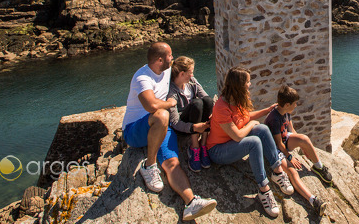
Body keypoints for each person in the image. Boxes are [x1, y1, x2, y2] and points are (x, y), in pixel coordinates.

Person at [121, 42, 216, 221]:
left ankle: (191, 202)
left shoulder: (167, 71)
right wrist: (171, 103)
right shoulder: (143, 78)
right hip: (135, 131)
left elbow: (186, 74)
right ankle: (149, 166)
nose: (172, 58)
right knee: (162, 115)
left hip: (161, 128)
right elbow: (152, 105)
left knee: (173, 163)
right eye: (169, 56)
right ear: (159, 60)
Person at [206, 67, 295, 218]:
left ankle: (277, 171)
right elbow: (238, 136)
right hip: (218, 151)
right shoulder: (222, 107)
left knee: (262, 129)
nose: (250, 84)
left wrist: (266, 110)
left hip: (233, 144)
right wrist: (252, 124)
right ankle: (264, 189)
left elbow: (246, 118)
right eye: (247, 81)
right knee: (254, 141)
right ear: (239, 85)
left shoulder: (238, 100)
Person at [265, 84, 330, 215]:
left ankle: (318, 166)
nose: (296, 106)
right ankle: (313, 201)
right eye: (294, 103)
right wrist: (290, 157)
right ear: (287, 104)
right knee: (292, 172)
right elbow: (278, 144)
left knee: (305, 139)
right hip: (275, 149)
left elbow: (292, 131)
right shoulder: (274, 118)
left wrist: (302, 145)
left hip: (284, 140)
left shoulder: (286, 112)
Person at [167, 56, 213, 172]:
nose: (192, 75)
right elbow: (175, 122)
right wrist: (193, 127)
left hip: (197, 119)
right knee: (197, 103)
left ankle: (203, 144)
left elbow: (205, 96)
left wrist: (213, 112)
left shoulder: (192, 82)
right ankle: (194, 147)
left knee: (207, 100)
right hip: (184, 125)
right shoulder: (171, 91)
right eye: (190, 72)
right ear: (182, 74)